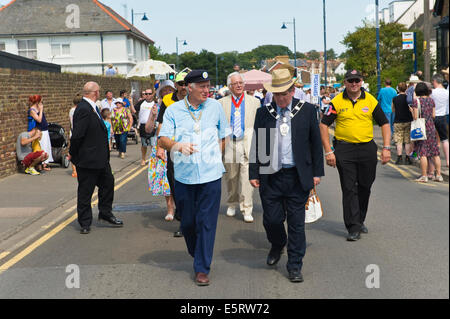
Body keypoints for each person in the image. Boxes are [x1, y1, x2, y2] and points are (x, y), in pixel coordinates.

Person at [249, 68, 324, 283]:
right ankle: (277, 243)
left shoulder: (307, 111)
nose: (280, 98)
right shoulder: (264, 113)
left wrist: (317, 173)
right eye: (276, 94)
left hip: (297, 176)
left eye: (284, 94)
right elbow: (257, 143)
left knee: (296, 223)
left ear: (292, 91)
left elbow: (315, 144)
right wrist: (254, 172)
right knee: (272, 220)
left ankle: (294, 265)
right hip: (270, 176)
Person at [158, 70, 230, 286]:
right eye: (202, 87)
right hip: (184, 176)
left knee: (207, 222)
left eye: (208, 86)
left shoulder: (216, 107)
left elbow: (223, 135)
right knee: (188, 223)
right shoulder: (173, 111)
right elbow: (162, 139)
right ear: (189, 88)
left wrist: (216, 153)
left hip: (211, 175)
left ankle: (202, 268)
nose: (207, 90)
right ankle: (196, 252)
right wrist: (178, 146)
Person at [319, 69, 391, 241]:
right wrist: (328, 151)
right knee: (349, 188)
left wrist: (387, 147)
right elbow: (323, 125)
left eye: (357, 80)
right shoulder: (336, 102)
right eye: (350, 81)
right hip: (345, 149)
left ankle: (359, 219)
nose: (354, 84)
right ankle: (353, 226)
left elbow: (385, 123)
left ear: (361, 82)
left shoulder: (371, 100)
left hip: (367, 148)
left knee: (365, 186)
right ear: (345, 82)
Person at [69, 81, 123, 234]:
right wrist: (73, 153)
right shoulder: (83, 109)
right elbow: (77, 135)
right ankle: (85, 222)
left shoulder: (93, 107)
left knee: (108, 184)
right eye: (99, 91)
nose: (99, 93)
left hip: (100, 159)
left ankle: (105, 213)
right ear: (95, 92)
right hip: (87, 159)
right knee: (86, 191)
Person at [219, 72, 260, 223]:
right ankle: (232, 202)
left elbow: (259, 124)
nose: (238, 85)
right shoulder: (222, 103)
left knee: (247, 177)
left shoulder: (254, 102)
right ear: (230, 86)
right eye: (235, 83)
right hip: (230, 143)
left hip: (247, 143)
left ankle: (246, 208)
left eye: (241, 83)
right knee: (231, 177)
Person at [156, 72, 188, 237]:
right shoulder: (167, 101)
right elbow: (161, 124)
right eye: (181, 83)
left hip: (194, 150)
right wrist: (160, 147)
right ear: (175, 85)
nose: (184, 87)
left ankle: (193, 221)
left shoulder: (197, 99)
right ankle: (184, 222)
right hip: (173, 149)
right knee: (177, 186)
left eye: (186, 83)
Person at [412, 82, 443, 182]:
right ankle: (438, 175)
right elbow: (433, 115)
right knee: (435, 152)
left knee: (423, 152)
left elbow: (416, 117)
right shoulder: (431, 100)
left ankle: (424, 175)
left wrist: (411, 110)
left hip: (421, 128)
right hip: (431, 127)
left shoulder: (417, 101)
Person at [27, 95, 53, 171]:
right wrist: (41, 110)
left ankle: (44, 163)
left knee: (46, 146)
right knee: (41, 147)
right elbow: (39, 120)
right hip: (39, 130)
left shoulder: (37, 108)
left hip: (44, 129)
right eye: (41, 101)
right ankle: (40, 165)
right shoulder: (32, 110)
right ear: (37, 102)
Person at [392, 82, 413, 165]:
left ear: (398, 89)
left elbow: (393, 110)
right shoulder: (408, 98)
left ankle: (399, 157)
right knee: (407, 140)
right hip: (408, 120)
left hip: (398, 121)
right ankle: (408, 158)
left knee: (399, 141)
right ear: (406, 88)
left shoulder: (395, 98)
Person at [431, 74, 449, 168]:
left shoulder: (433, 92)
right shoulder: (447, 92)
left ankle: (433, 163)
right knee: (444, 139)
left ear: (435, 81)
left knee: (433, 140)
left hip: (433, 117)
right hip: (443, 117)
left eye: (433, 82)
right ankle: (448, 161)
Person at [138, 89, 157, 166]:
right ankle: (143, 159)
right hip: (143, 125)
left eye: (150, 93)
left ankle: (154, 160)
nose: (148, 95)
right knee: (144, 144)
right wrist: (131, 103)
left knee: (153, 144)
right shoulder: (141, 103)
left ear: (152, 94)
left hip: (153, 125)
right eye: (146, 94)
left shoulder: (155, 103)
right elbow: (134, 111)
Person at [69, 94, 83, 177]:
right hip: (77, 133)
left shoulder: (71, 110)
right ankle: (75, 170)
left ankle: (75, 170)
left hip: (73, 133)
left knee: (74, 152)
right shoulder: (77, 110)